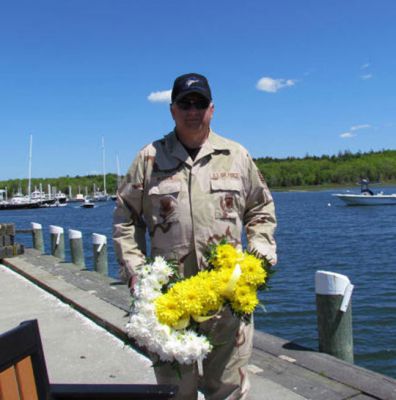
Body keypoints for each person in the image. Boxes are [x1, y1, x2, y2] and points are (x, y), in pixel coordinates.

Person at [113, 73, 277, 400]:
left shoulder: (236, 156)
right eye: (185, 103)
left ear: (212, 109)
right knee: (175, 393)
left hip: (228, 305)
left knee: (229, 392)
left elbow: (261, 209)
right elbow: (125, 220)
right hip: (169, 305)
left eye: (199, 103)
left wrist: (258, 256)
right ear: (172, 110)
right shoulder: (148, 159)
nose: (192, 110)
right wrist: (137, 274)